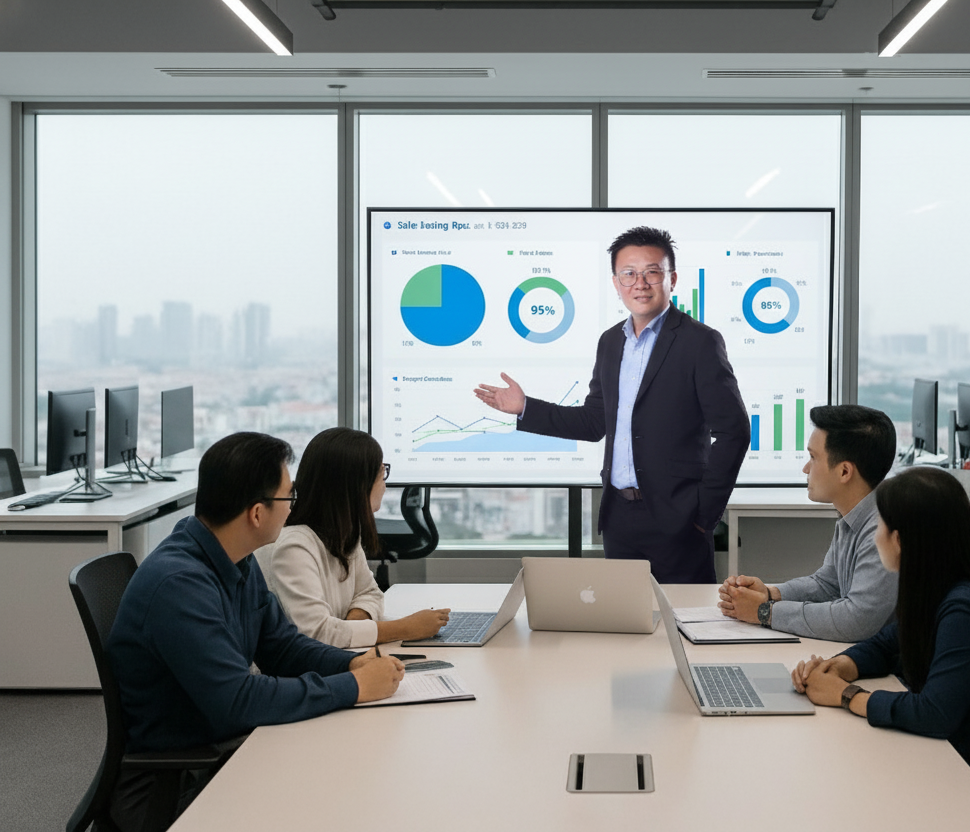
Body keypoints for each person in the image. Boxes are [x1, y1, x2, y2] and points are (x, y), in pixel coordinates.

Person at [107, 432, 405, 832]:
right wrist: (353, 687)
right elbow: (236, 699)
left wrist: (353, 662)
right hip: (180, 784)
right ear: (257, 514)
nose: (294, 508)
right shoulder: (179, 585)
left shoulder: (234, 559)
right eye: (288, 498)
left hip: (223, 748)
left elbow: (282, 647)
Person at [474, 226, 750, 583]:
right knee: (626, 628)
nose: (640, 283)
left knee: (687, 626)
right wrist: (526, 407)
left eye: (652, 271)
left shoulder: (700, 343)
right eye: (629, 274)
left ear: (672, 278)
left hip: (679, 519)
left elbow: (734, 431)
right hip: (619, 517)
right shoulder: (610, 343)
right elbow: (593, 422)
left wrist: (703, 512)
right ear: (616, 282)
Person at [790, 465, 970, 831]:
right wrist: (839, 666)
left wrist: (846, 695)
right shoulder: (935, 588)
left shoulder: (965, 609)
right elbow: (887, 644)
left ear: (901, 540)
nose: (876, 537)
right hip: (952, 761)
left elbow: (934, 714)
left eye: (881, 528)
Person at [254, 427, 449, 648]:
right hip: (291, 676)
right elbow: (316, 633)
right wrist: (406, 628)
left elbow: (370, 593)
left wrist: (352, 626)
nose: (384, 485)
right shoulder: (294, 546)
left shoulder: (343, 535)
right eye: (381, 472)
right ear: (357, 484)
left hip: (330, 662)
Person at [718, 404, 898, 641]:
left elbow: (857, 619)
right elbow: (827, 585)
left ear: (845, 472)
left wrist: (764, 612)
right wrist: (770, 594)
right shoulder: (854, 515)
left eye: (813, 458)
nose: (805, 468)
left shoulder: (881, 528)